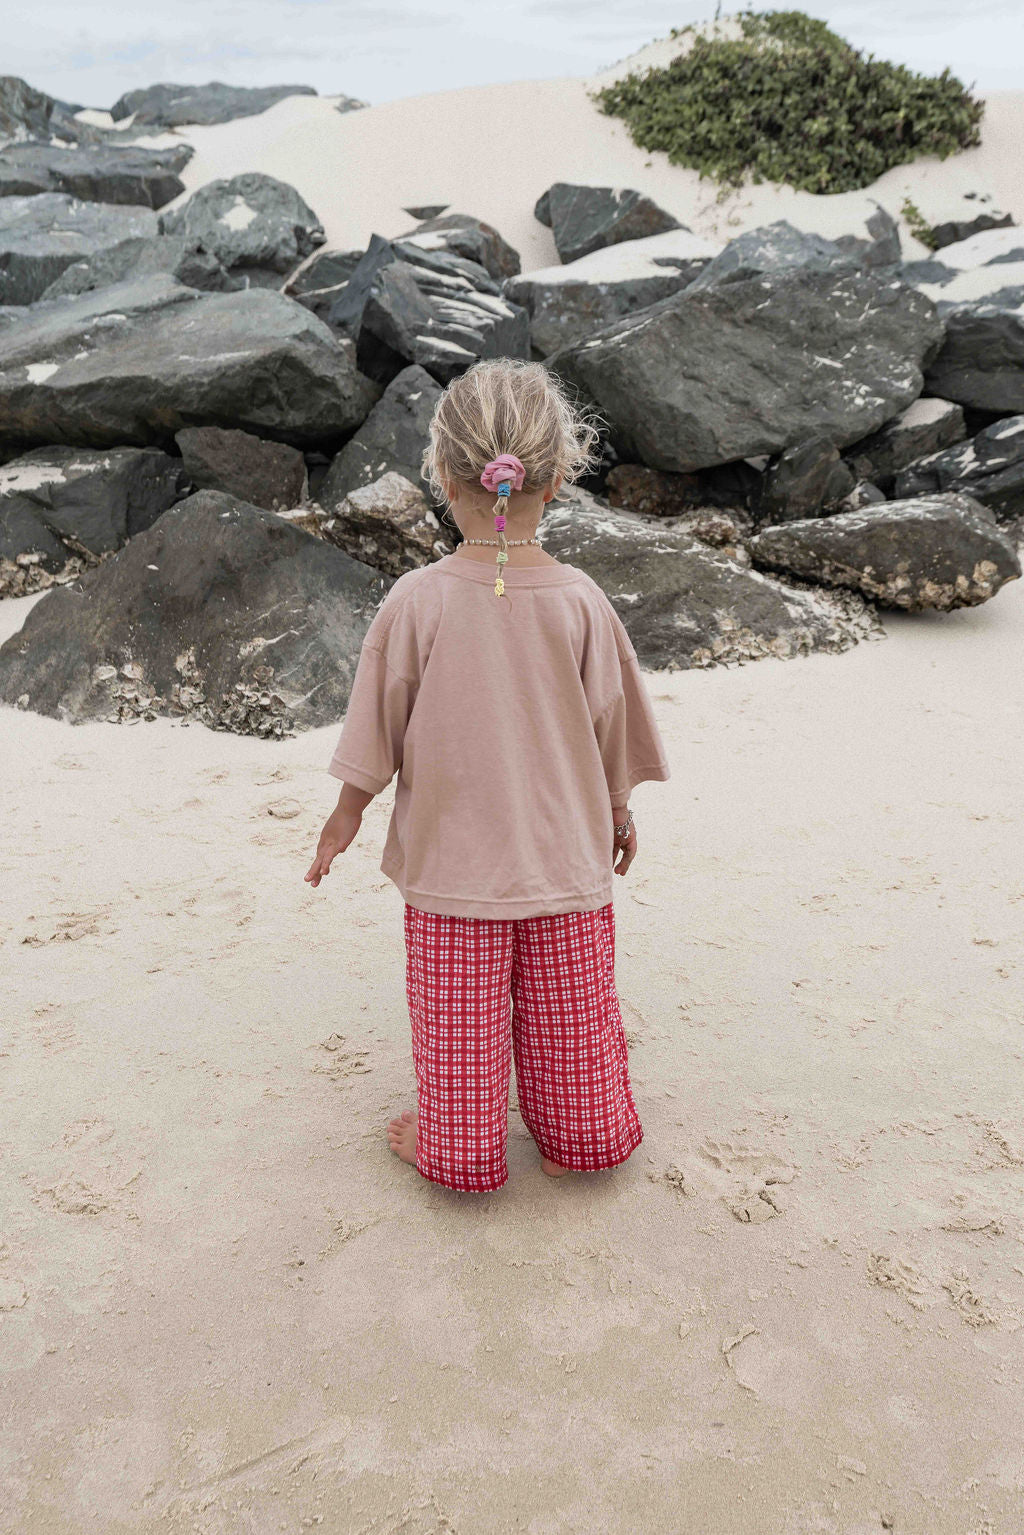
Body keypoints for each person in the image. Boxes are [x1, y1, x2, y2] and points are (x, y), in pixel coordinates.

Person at [305, 358, 670, 1193]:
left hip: (452, 878)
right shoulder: (583, 601)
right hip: (565, 870)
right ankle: (583, 1138)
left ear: (442, 474)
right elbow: (610, 725)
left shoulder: (417, 600)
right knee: (576, 1041)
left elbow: (376, 729)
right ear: (561, 476)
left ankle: (460, 1149)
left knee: (459, 1049)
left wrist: (344, 817)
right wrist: (617, 810)